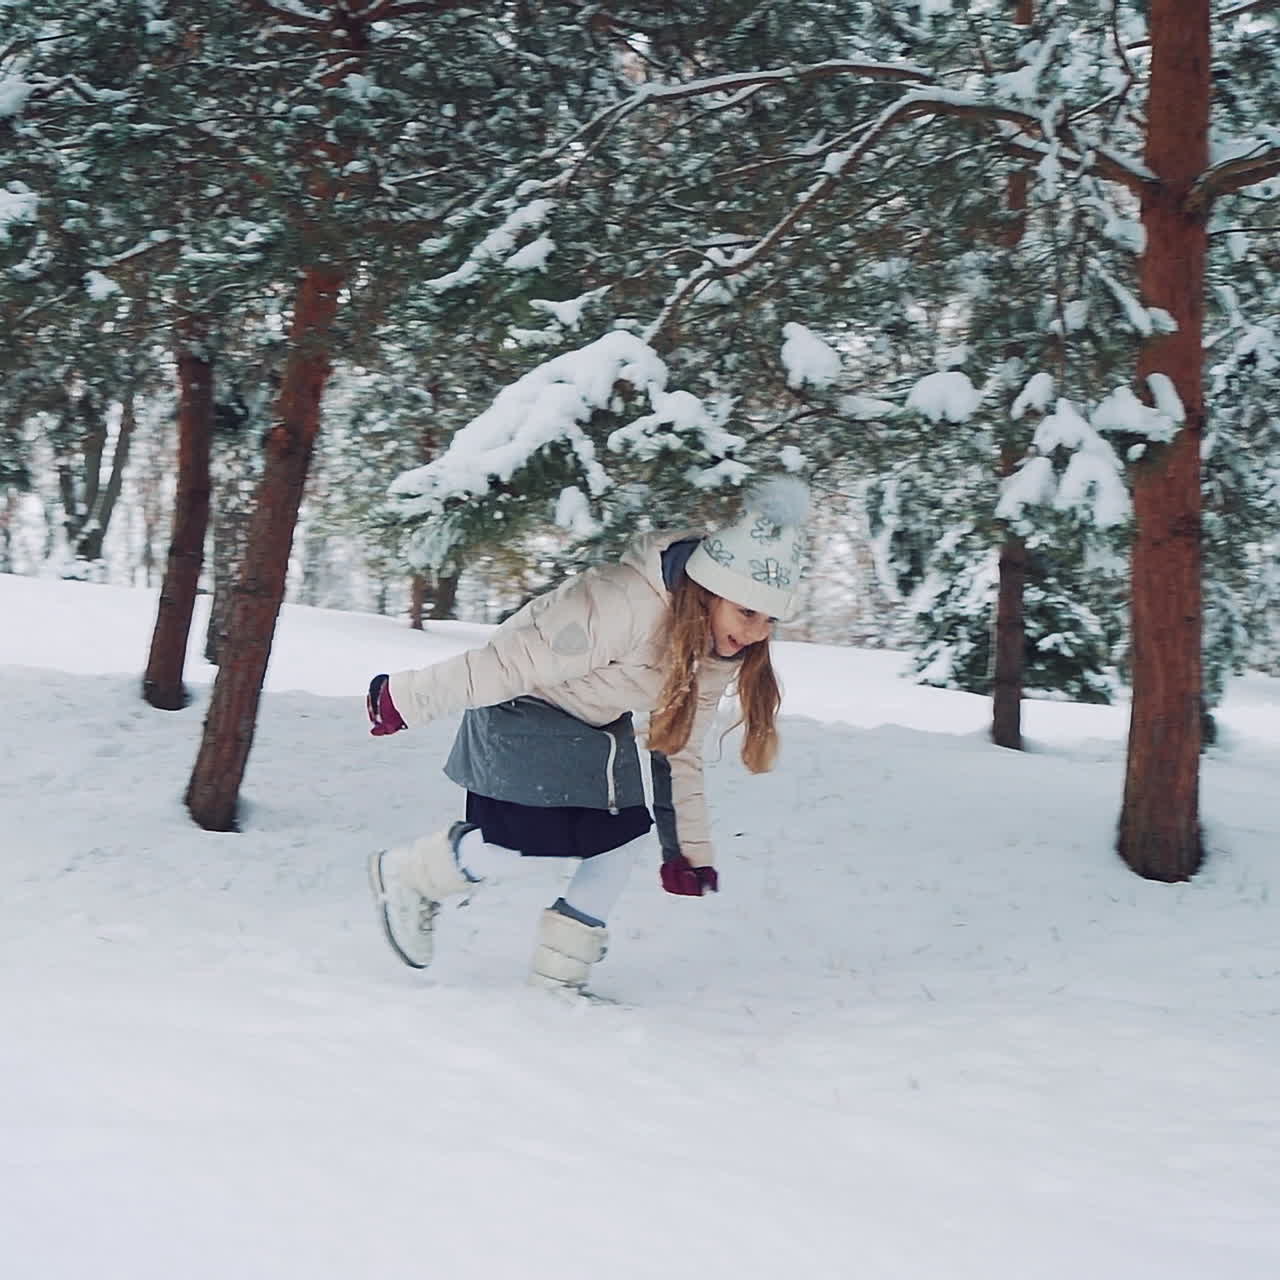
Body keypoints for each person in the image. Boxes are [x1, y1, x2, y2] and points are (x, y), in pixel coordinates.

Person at [366, 476, 809, 994]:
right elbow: (512, 662)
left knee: (619, 838)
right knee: (521, 844)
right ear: (709, 591)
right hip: (521, 707)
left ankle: (560, 978)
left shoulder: (715, 650)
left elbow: (680, 745)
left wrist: (688, 849)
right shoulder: (624, 603)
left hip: (593, 728)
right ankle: (412, 876)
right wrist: (407, 697)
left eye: (768, 620)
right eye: (747, 612)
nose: (755, 632)